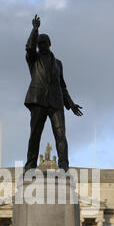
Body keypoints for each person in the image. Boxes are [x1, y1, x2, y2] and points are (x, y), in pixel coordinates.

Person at [24, 14, 83, 172]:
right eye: (39, 43)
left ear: (49, 44)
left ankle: (64, 166)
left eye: (44, 43)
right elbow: (29, 47)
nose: (41, 45)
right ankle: (30, 165)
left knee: (61, 135)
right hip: (38, 100)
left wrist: (70, 103)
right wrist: (35, 30)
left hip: (55, 101)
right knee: (35, 134)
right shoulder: (33, 59)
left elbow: (62, 85)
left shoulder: (58, 63)